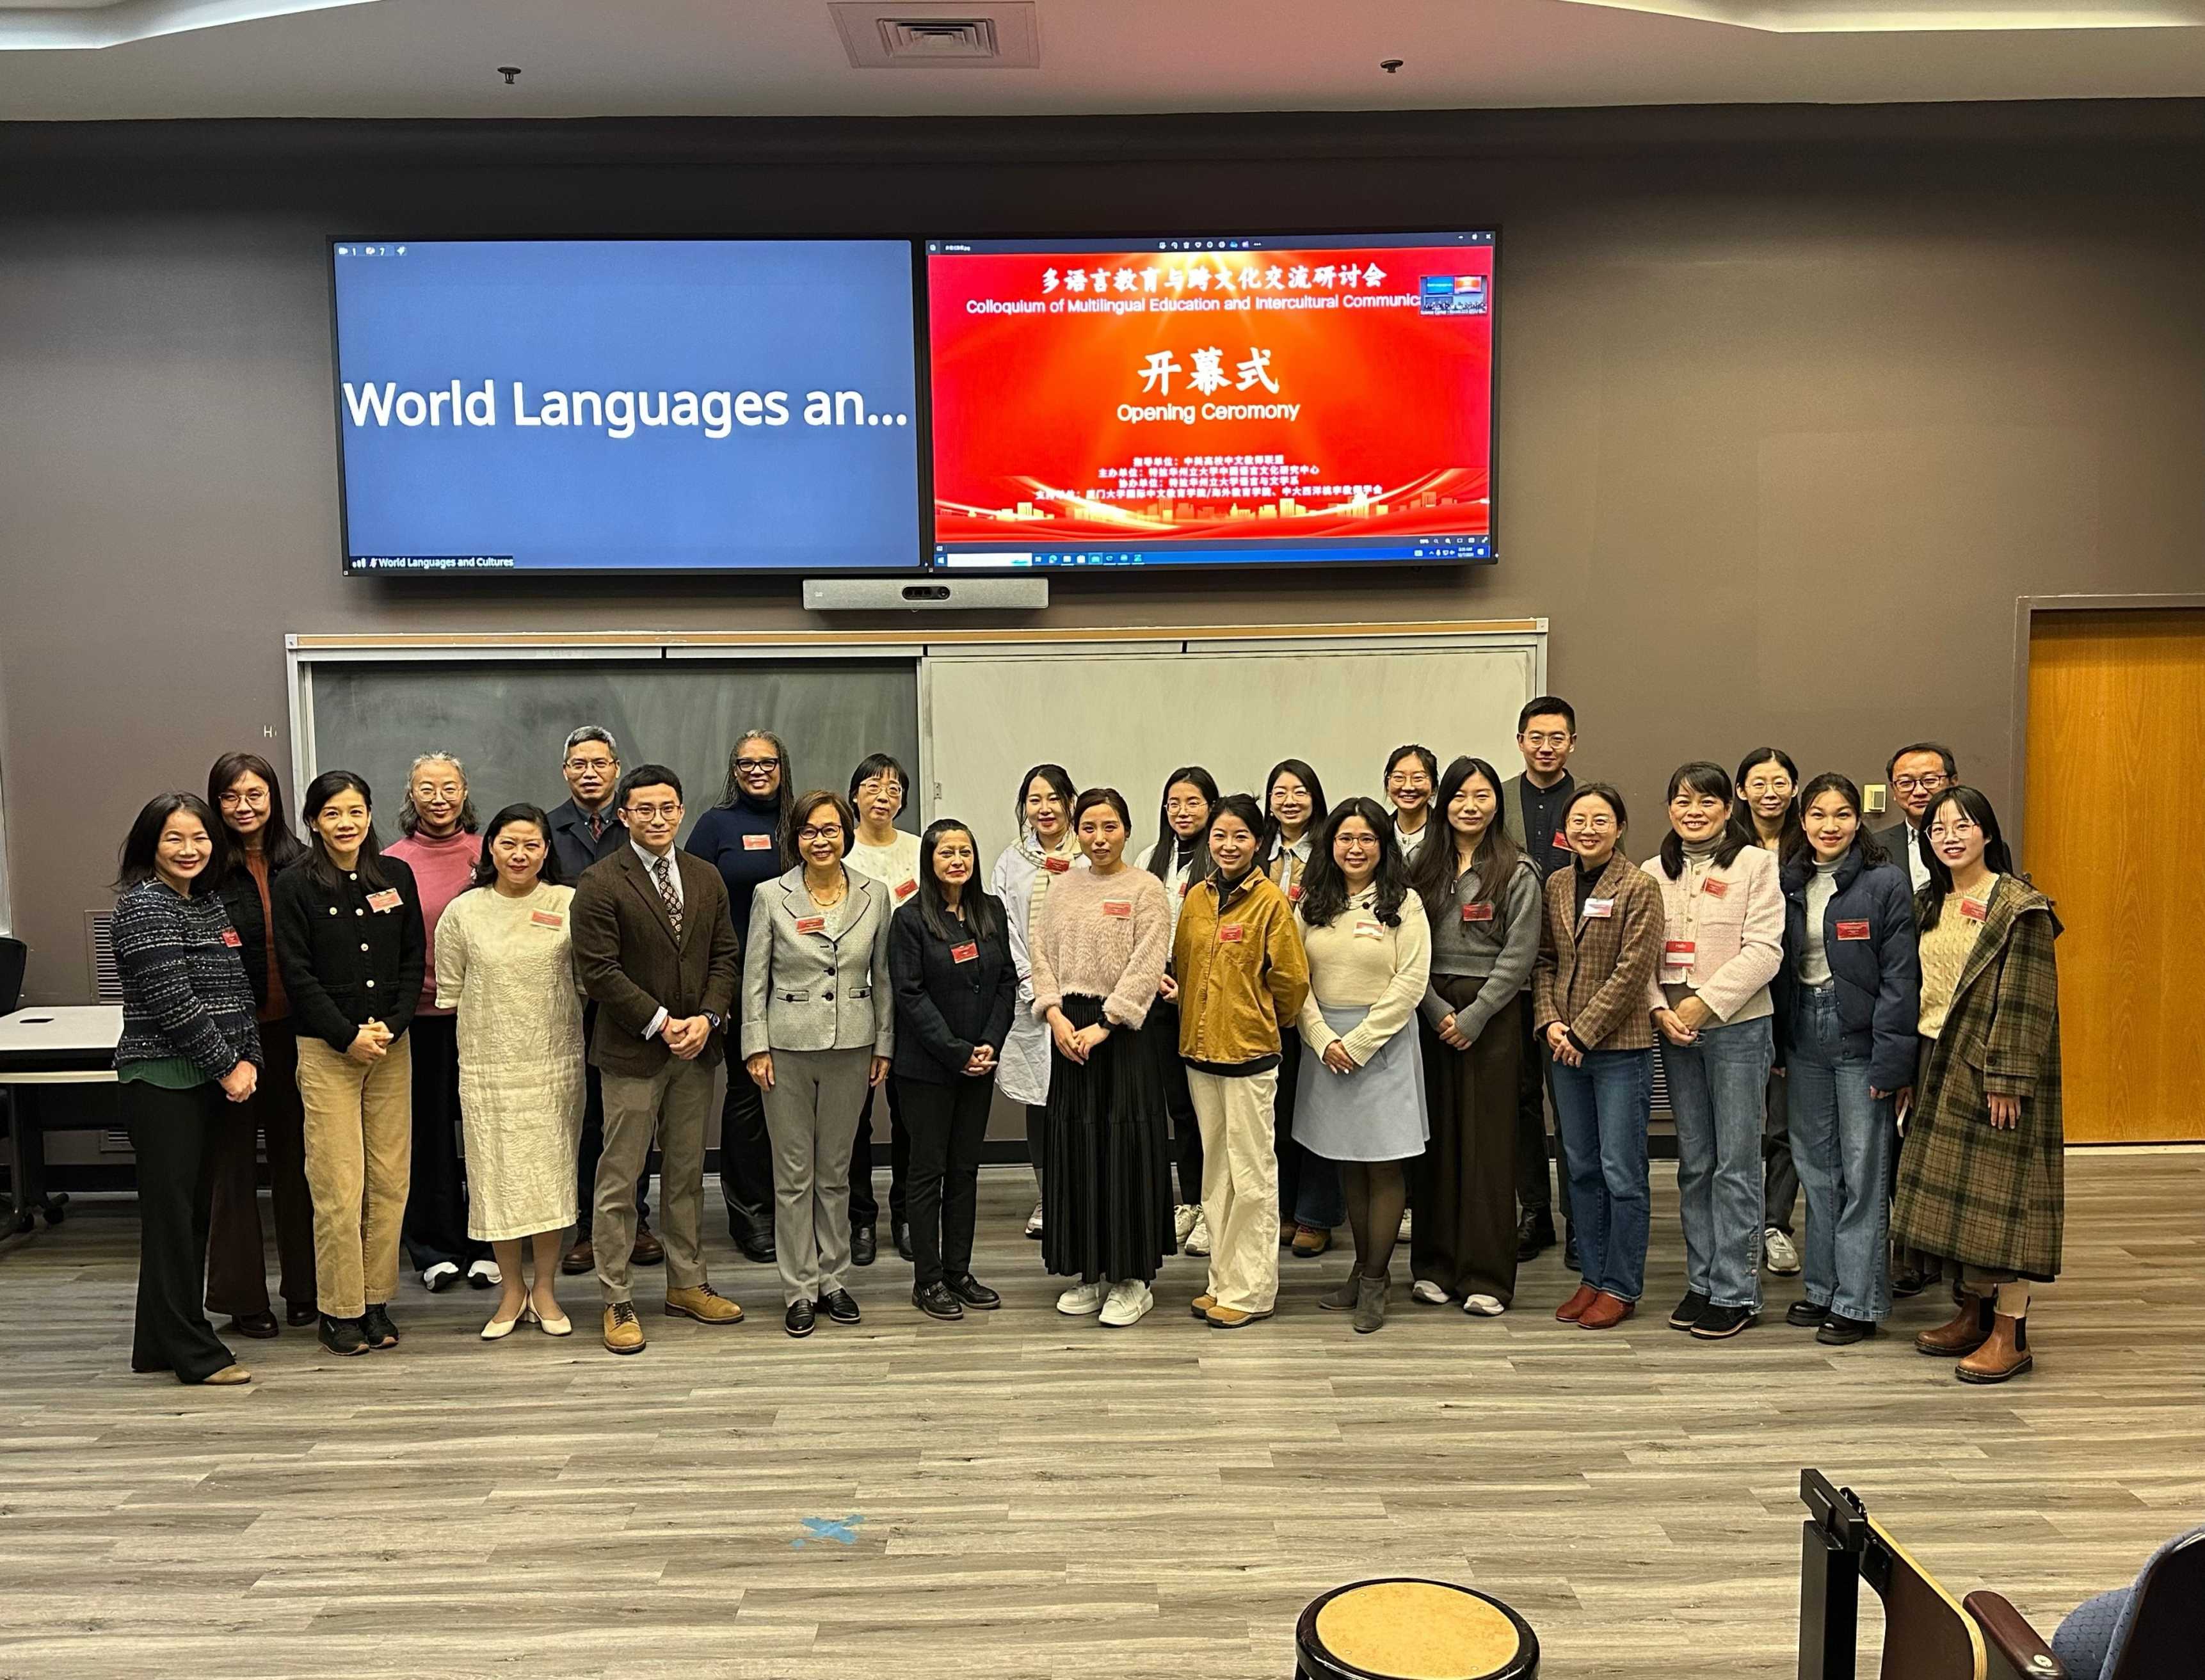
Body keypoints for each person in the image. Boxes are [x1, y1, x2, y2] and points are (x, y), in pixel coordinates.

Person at [572, 764, 746, 1356]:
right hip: (631, 1052)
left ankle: (686, 1283)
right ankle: (616, 1296)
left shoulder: (705, 876)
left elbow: (726, 955)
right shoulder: (599, 881)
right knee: (619, 1179)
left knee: (686, 1176)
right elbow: (599, 971)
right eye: (643, 809)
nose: (657, 818)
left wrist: (707, 1018)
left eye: (667, 807)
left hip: (696, 1050)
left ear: (680, 810)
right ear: (624, 815)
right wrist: (660, 1022)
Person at [1893, 786, 2064, 1385]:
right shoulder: (1928, 902)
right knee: (1959, 1207)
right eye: (1937, 829)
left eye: (1962, 825)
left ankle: (2008, 1333)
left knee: (2004, 1204)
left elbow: (2027, 1001)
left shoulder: (2020, 906)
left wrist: (2008, 1077)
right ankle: (1971, 1310)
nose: (1949, 837)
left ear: (1987, 833)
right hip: (1935, 1059)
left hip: (1993, 1069)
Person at [271, 771, 424, 1358]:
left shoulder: (396, 875)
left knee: (389, 1182)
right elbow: (297, 973)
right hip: (327, 1050)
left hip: (391, 1046)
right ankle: (340, 1309)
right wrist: (346, 1034)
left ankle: (376, 1299)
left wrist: (394, 1023)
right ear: (314, 821)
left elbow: (414, 957)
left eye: (356, 811)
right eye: (333, 813)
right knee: (339, 1184)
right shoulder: (294, 885)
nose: (346, 823)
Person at [111, 793, 262, 1386]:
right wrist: (228, 1066)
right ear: (151, 843)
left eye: (199, 837)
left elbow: (237, 987)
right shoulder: (144, 908)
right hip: (163, 1080)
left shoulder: (206, 904)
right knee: (174, 1218)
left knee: (191, 1214)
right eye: (174, 838)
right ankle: (195, 1352)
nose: (189, 849)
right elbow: (172, 1002)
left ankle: (156, 1342)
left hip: (210, 1078)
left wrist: (247, 1056)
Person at [1772, 774, 1920, 1345]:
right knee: (1816, 1168)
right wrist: (1783, 1040)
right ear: (1801, 821)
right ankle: (1823, 1288)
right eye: (1816, 815)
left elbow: (1900, 980)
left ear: (1857, 821)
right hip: (1803, 1033)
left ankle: (1859, 1301)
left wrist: (1891, 1063)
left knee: (1863, 1172)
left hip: (1861, 1038)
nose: (1828, 826)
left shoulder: (1884, 883)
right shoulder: (1789, 882)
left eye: (1840, 815)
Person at [744, 790, 896, 1338]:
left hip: (853, 1046)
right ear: (796, 838)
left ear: (846, 833)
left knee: (835, 1173)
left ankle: (834, 1280)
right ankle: (799, 1288)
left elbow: (881, 974)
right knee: (792, 1176)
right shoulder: (771, 895)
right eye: (810, 831)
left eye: (830, 829)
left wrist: (884, 1044)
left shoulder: (874, 895)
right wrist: (754, 1045)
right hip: (785, 1047)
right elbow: (754, 976)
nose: (821, 840)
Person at [434, 804, 586, 1341]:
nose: (520, 855)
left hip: (553, 1063)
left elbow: (589, 980)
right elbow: (450, 988)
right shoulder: (464, 912)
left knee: (548, 1178)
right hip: (489, 1067)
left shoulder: (570, 904)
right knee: (496, 1178)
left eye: (532, 845)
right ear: (490, 848)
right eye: (508, 844)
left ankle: (544, 1287)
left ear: (547, 851)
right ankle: (511, 1289)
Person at [1644, 763, 1784, 1341]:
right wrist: (1658, 1008)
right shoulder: (1652, 871)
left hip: (1737, 1029)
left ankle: (1736, 1289)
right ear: (1669, 809)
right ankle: (1701, 1280)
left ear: (1728, 808)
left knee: (1735, 1163)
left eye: (1707, 801)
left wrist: (1703, 1004)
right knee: (1694, 1162)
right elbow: (1640, 951)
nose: (1693, 811)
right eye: (1682, 801)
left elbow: (1765, 951)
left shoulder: (1756, 864)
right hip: (1673, 1030)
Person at [1029, 788, 1174, 1327]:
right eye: (1088, 827)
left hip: (1124, 1032)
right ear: (1076, 830)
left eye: (1109, 826)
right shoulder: (1061, 886)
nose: (1099, 837)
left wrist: (1106, 1024)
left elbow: (1148, 959)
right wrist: (1055, 1016)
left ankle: (1132, 1279)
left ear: (1127, 830)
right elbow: (1039, 952)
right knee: (1079, 1145)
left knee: (1126, 1145)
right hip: (1069, 1029)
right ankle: (1089, 1270)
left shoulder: (1145, 888)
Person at [1406, 756, 1541, 1316]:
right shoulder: (1420, 864)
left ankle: (1486, 1275)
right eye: (1459, 796)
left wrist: (1477, 1015)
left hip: (1493, 1013)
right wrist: (1435, 1008)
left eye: (1481, 795)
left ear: (1496, 803)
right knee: (1433, 1141)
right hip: (1429, 1005)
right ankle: (1434, 1266)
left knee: (1488, 1143)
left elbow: (1520, 952)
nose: (1469, 806)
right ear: (1443, 802)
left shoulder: (1517, 868)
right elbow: (1407, 942)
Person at [1293, 799, 1431, 1333]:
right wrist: (1323, 1037)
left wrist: (1361, 1041)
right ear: (1330, 845)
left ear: (1382, 845)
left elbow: (1410, 982)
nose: (1355, 847)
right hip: (1325, 1046)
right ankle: (1360, 1268)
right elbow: (1294, 977)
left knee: (1385, 1163)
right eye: (1345, 838)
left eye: (1367, 838)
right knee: (1347, 1160)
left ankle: (1376, 1279)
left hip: (1385, 1045)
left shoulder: (1405, 902)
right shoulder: (1311, 902)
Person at [1171, 792, 1308, 1330]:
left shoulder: (1270, 901)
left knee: (1252, 1175)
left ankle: (1252, 1289)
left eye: (1240, 836)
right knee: (1216, 1174)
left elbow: (1291, 982)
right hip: (1199, 1053)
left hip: (1249, 1054)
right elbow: (1183, 963)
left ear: (1258, 842)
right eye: (1220, 835)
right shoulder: (1196, 898)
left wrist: (1256, 1017)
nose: (1228, 846)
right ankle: (1221, 1281)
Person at [1534, 783, 1664, 1332]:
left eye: (1601, 819)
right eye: (1579, 819)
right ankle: (1590, 1274)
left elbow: (1633, 972)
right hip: (1564, 1048)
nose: (1589, 828)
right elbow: (1543, 961)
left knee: (1621, 1171)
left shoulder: (1639, 886)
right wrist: (1550, 1022)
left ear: (1619, 827)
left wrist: (1581, 1032)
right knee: (1580, 1168)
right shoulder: (1558, 883)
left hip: (1618, 1049)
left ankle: (1620, 1285)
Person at [202, 751, 315, 1339]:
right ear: (216, 802)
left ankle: (306, 1289)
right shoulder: (204, 871)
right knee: (234, 1170)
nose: (244, 807)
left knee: (300, 1166)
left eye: (255, 794)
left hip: (296, 1036)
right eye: (230, 796)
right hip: (230, 1045)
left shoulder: (302, 861)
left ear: (274, 797)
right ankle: (244, 1298)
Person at [888, 817, 1016, 1321]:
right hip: (927, 1068)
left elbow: (1006, 980)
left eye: (964, 851)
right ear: (930, 860)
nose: (957, 860)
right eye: (946, 853)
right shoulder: (910, 919)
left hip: (978, 1063)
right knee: (927, 1172)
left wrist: (987, 1044)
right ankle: (928, 1278)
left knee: (965, 1169)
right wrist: (956, 1050)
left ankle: (959, 1271)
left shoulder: (990, 910)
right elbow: (909, 994)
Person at [546, 726, 661, 1279]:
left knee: (631, 1115)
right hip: (565, 1000)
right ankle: (589, 1227)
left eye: (599, 763)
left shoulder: (639, 826)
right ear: (564, 772)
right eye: (578, 764)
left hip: (630, 999)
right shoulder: (545, 831)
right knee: (585, 1116)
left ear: (617, 768)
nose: (589, 772)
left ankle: (634, 1220)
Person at [384, 751, 496, 1295]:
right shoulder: (389, 861)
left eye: (448, 786)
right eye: (426, 787)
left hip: (485, 1018)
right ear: (411, 794)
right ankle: (434, 1247)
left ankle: (487, 1244)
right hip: (421, 1019)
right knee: (427, 1135)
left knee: (483, 1131)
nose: (438, 797)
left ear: (464, 789)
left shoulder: (490, 854)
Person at [684, 730, 796, 1263]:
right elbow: (693, 905)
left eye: (766, 762)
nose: (757, 770)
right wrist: (714, 988)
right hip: (737, 983)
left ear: (782, 765)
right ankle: (751, 1214)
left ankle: (798, 1209)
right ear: (734, 769)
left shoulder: (800, 821)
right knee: (749, 1097)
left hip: (802, 983)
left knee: (796, 1099)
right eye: (746, 763)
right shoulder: (715, 825)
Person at [986, 762, 1082, 1240]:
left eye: (1053, 798)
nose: (1044, 808)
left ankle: (1085, 1193)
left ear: (1070, 801)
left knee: (1086, 1096)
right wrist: (1035, 987)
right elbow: (1006, 928)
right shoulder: (1012, 860)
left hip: (1086, 996)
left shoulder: (1092, 853)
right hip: (1032, 997)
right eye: (1034, 799)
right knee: (1041, 1099)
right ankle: (1048, 1195)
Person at [1503, 696, 1580, 1265]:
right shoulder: (1496, 797)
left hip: (1571, 973)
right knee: (1521, 1100)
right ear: (1520, 740)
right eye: (1536, 736)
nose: (1545, 746)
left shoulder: (1589, 804)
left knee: (1573, 1101)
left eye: (1556, 737)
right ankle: (1533, 1211)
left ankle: (1580, 1217)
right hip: (1509, 970)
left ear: (1571, 743)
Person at [1261, 758, 1343, 1259]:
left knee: (1316, 1107)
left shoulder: (1332, 852)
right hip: (1264, 997)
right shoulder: (1256, 850)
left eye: (1299, 791)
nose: (1289, 800)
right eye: (1279, 791)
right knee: (1277, 1106)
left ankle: (1316, 1214)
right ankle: (1285, 1209)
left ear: (1315, 797)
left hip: (1319, 994)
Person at [1136, 765, 1219, 1256]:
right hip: (1156, 988)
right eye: (1173, 802)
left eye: (1192, 802)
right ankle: (1189, 1200)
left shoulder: (1222, 855)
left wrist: (1187, 985)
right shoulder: (1151, 857)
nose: (1181, 811)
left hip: (1204, 991)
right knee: (1178, 1106)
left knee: (1209, 1104)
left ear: (1211, 805)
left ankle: (1214, 1205)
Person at [844, 753, 921, 1266]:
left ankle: (907, 1214)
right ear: (854, 795)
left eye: (894, 789)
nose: (882, 795)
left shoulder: (920, 850)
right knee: (854, 1120)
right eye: (872, 785)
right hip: (855, 998)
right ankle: (860, 1219)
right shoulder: (837, 852)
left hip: (914, 998)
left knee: (909, 1117)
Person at [1735, 746, 1806, 1281]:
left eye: (1779, 782)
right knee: (1738, 1122)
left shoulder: (1812, 843)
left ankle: (1774, 1221)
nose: (1769, 792)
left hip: (1797, 993)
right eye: (1758, 782)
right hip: (1737, 996)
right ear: (1741, 791)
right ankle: (1733, 1221)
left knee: (1783, 1118)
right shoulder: (1724, 844)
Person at [1875, 742, 1958, 895]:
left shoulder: (1980, 844)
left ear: (1953, 783)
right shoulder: (1873, 847)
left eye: (1930, 780)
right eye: (1906, 783)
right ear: (1894, 790)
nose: (1919, 791)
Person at [1383, 744, 1438, 861]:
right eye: (1399, 778)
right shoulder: (1379, 832)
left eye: (1418, 778)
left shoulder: (1447, 834)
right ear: (1388, 786)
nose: (1408, 787)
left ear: (1434, 788)